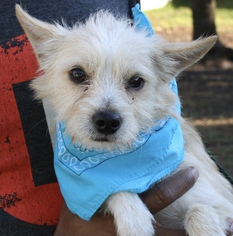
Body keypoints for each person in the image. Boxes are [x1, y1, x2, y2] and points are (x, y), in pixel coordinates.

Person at [0, 0, 232, 235]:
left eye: (135, 82)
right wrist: (118, 198)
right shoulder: (74, 165)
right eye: (79, 76)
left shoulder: (178, 157)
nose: (106, 114)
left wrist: (202, 219)